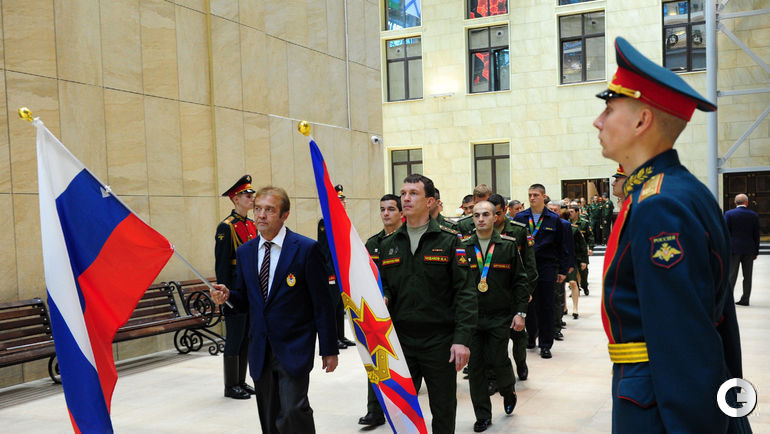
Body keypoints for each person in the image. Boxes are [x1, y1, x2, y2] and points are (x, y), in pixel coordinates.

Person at [595, 36, 750, 433]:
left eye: (609, 110)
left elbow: (683, 340)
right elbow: (716, 320)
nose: (598, 121)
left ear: (642, 121)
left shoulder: (659, 204)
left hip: (656, 406)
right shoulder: (682, 190)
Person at [210, 186, 339, 434]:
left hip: (294, 346)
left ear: (284, 215)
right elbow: (245, 299)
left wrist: (329, 349)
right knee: (269, 418)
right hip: (260, 347)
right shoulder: (245, 252)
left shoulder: (305, 249)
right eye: (258, 209)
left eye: (269, 210)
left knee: (293, 411)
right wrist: (228, 296)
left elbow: (322, 304)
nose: (261, 215)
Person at [378, 174, 477, 433]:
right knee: (401, 410)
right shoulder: (389, 244)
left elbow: (465, 292)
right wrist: (384, 295)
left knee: (443, 409)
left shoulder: (450, 241)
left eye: (414, 193)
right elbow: (385, 284)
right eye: (403, 193)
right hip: (401, 341)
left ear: (430, 201)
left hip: (439, 341)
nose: (406, 198)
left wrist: (462, 339)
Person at [463, 201, 528, 432]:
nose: (481, 219)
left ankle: (508, 391)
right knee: (476, 367)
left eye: (486, 214)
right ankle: (482, 414)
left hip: (499, 316)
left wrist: (520, 313)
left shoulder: (507, 246)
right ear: (472, 218)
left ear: (495, 217)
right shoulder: (463, 248)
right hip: (472, 318)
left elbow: (520, 281)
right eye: (476, 215)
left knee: (498, 359)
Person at [358, 194, 403, 427]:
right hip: (378, 314)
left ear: (401, 213)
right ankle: (374, 410)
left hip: (404, 310)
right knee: (376, 360)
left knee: (403, 364)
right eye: (382, 209)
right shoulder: (372, 243)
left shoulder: (406, 241)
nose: (386, 213)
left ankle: (399, 409)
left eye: (391, 209)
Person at [513, 185, 569, 359]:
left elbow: (561, 246)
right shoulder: (521, 217)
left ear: (544, 197)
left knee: (546, 306)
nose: (532, 198)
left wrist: (563, 269)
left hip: (546, 266)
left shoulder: (553, 218)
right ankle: (531, 336)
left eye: (536, 195)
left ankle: (545, 344)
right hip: (526, 267)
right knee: (527, 304)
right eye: (530, 195)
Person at [214, 174, 257, 400]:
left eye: (252, 194)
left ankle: (241, 381)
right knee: (234, 338)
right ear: (235, 199)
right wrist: (224, 293)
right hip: (234, 291)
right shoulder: (226, 227)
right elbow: (222, 264)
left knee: (246, 338)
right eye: (246, 195)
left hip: (250, 291)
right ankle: (230, 385)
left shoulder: (252, 225)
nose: (252, 198)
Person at [487, 194, 537, 381]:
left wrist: (527, 292)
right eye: (490, 214)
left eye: (498, 213)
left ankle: (521, 362)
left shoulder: (518, 231)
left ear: (505, 210)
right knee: (492, 337)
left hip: (514, 290)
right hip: (490, 292)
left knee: (517, 334)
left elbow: (530, 265)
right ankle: (493, 376)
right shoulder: (481, 231)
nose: (494, 218)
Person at [317, 185, 356, 350]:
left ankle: (341, 335)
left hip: (342, 269)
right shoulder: (325, 221)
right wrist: (329, 273)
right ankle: (332, 338)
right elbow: (324, 250)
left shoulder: (342, 220)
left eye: (343, 199)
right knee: (332, 305)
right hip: (332, 270)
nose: (343, 202)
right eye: (340, 199)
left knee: (340, 305)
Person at [725, 193, 760, 306]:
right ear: (747, 203)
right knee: (748, 276)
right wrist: (756, 251)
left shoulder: (729, 214)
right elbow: (756, 235)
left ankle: (728, 300)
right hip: (749, 249)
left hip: (733, 249)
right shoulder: (754, 215)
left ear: (735, 203)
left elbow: (725, 233)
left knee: (732, 275)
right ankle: (745, 299)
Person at [566, 205, 588, 319]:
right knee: (559, 285)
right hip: (557, 260)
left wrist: (584, 260)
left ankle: (575, 309)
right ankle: (564, 307)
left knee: (573, 282)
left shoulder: (574, 229)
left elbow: (582, 245)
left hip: (572, 259)